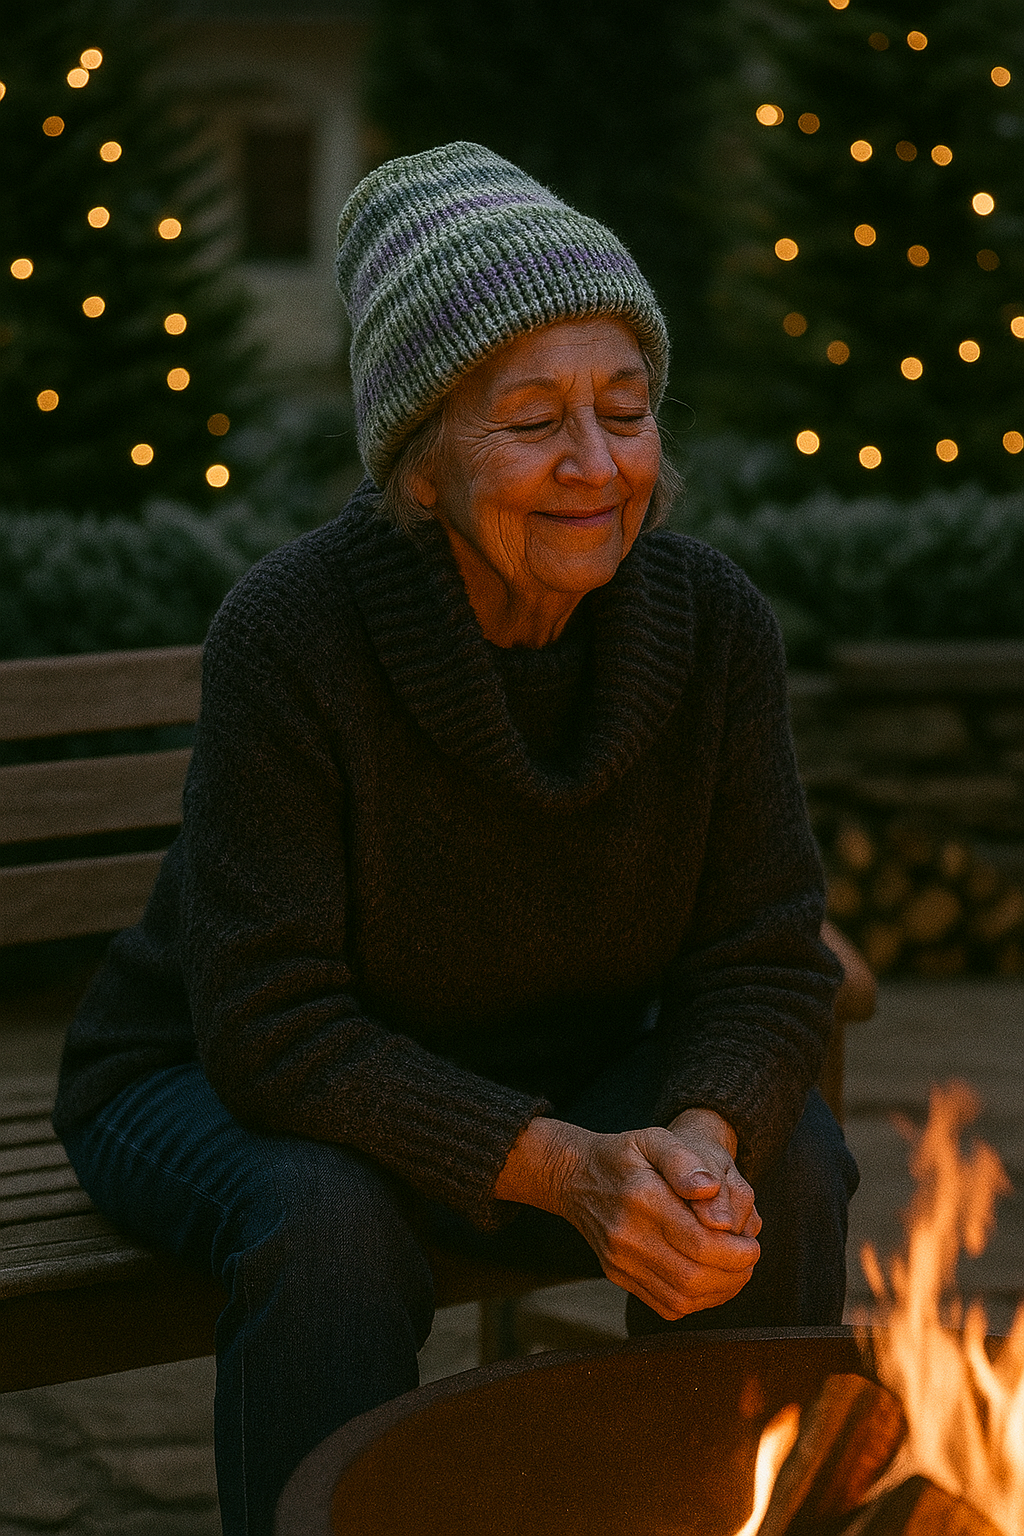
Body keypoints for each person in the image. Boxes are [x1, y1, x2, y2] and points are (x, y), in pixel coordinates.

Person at [54, 142, 858, 1534]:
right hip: (218, 1078)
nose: (596, 465)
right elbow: (273, 1026)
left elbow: (767, 958)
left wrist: (693, 1140)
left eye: (627, 408)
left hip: (542, 1061)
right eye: (533, 419)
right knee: (329, 1233)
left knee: (782, 1167)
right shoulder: (296, 636)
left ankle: (695, 1513)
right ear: (421, 461)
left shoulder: (714, 624)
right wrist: (572, 1167)